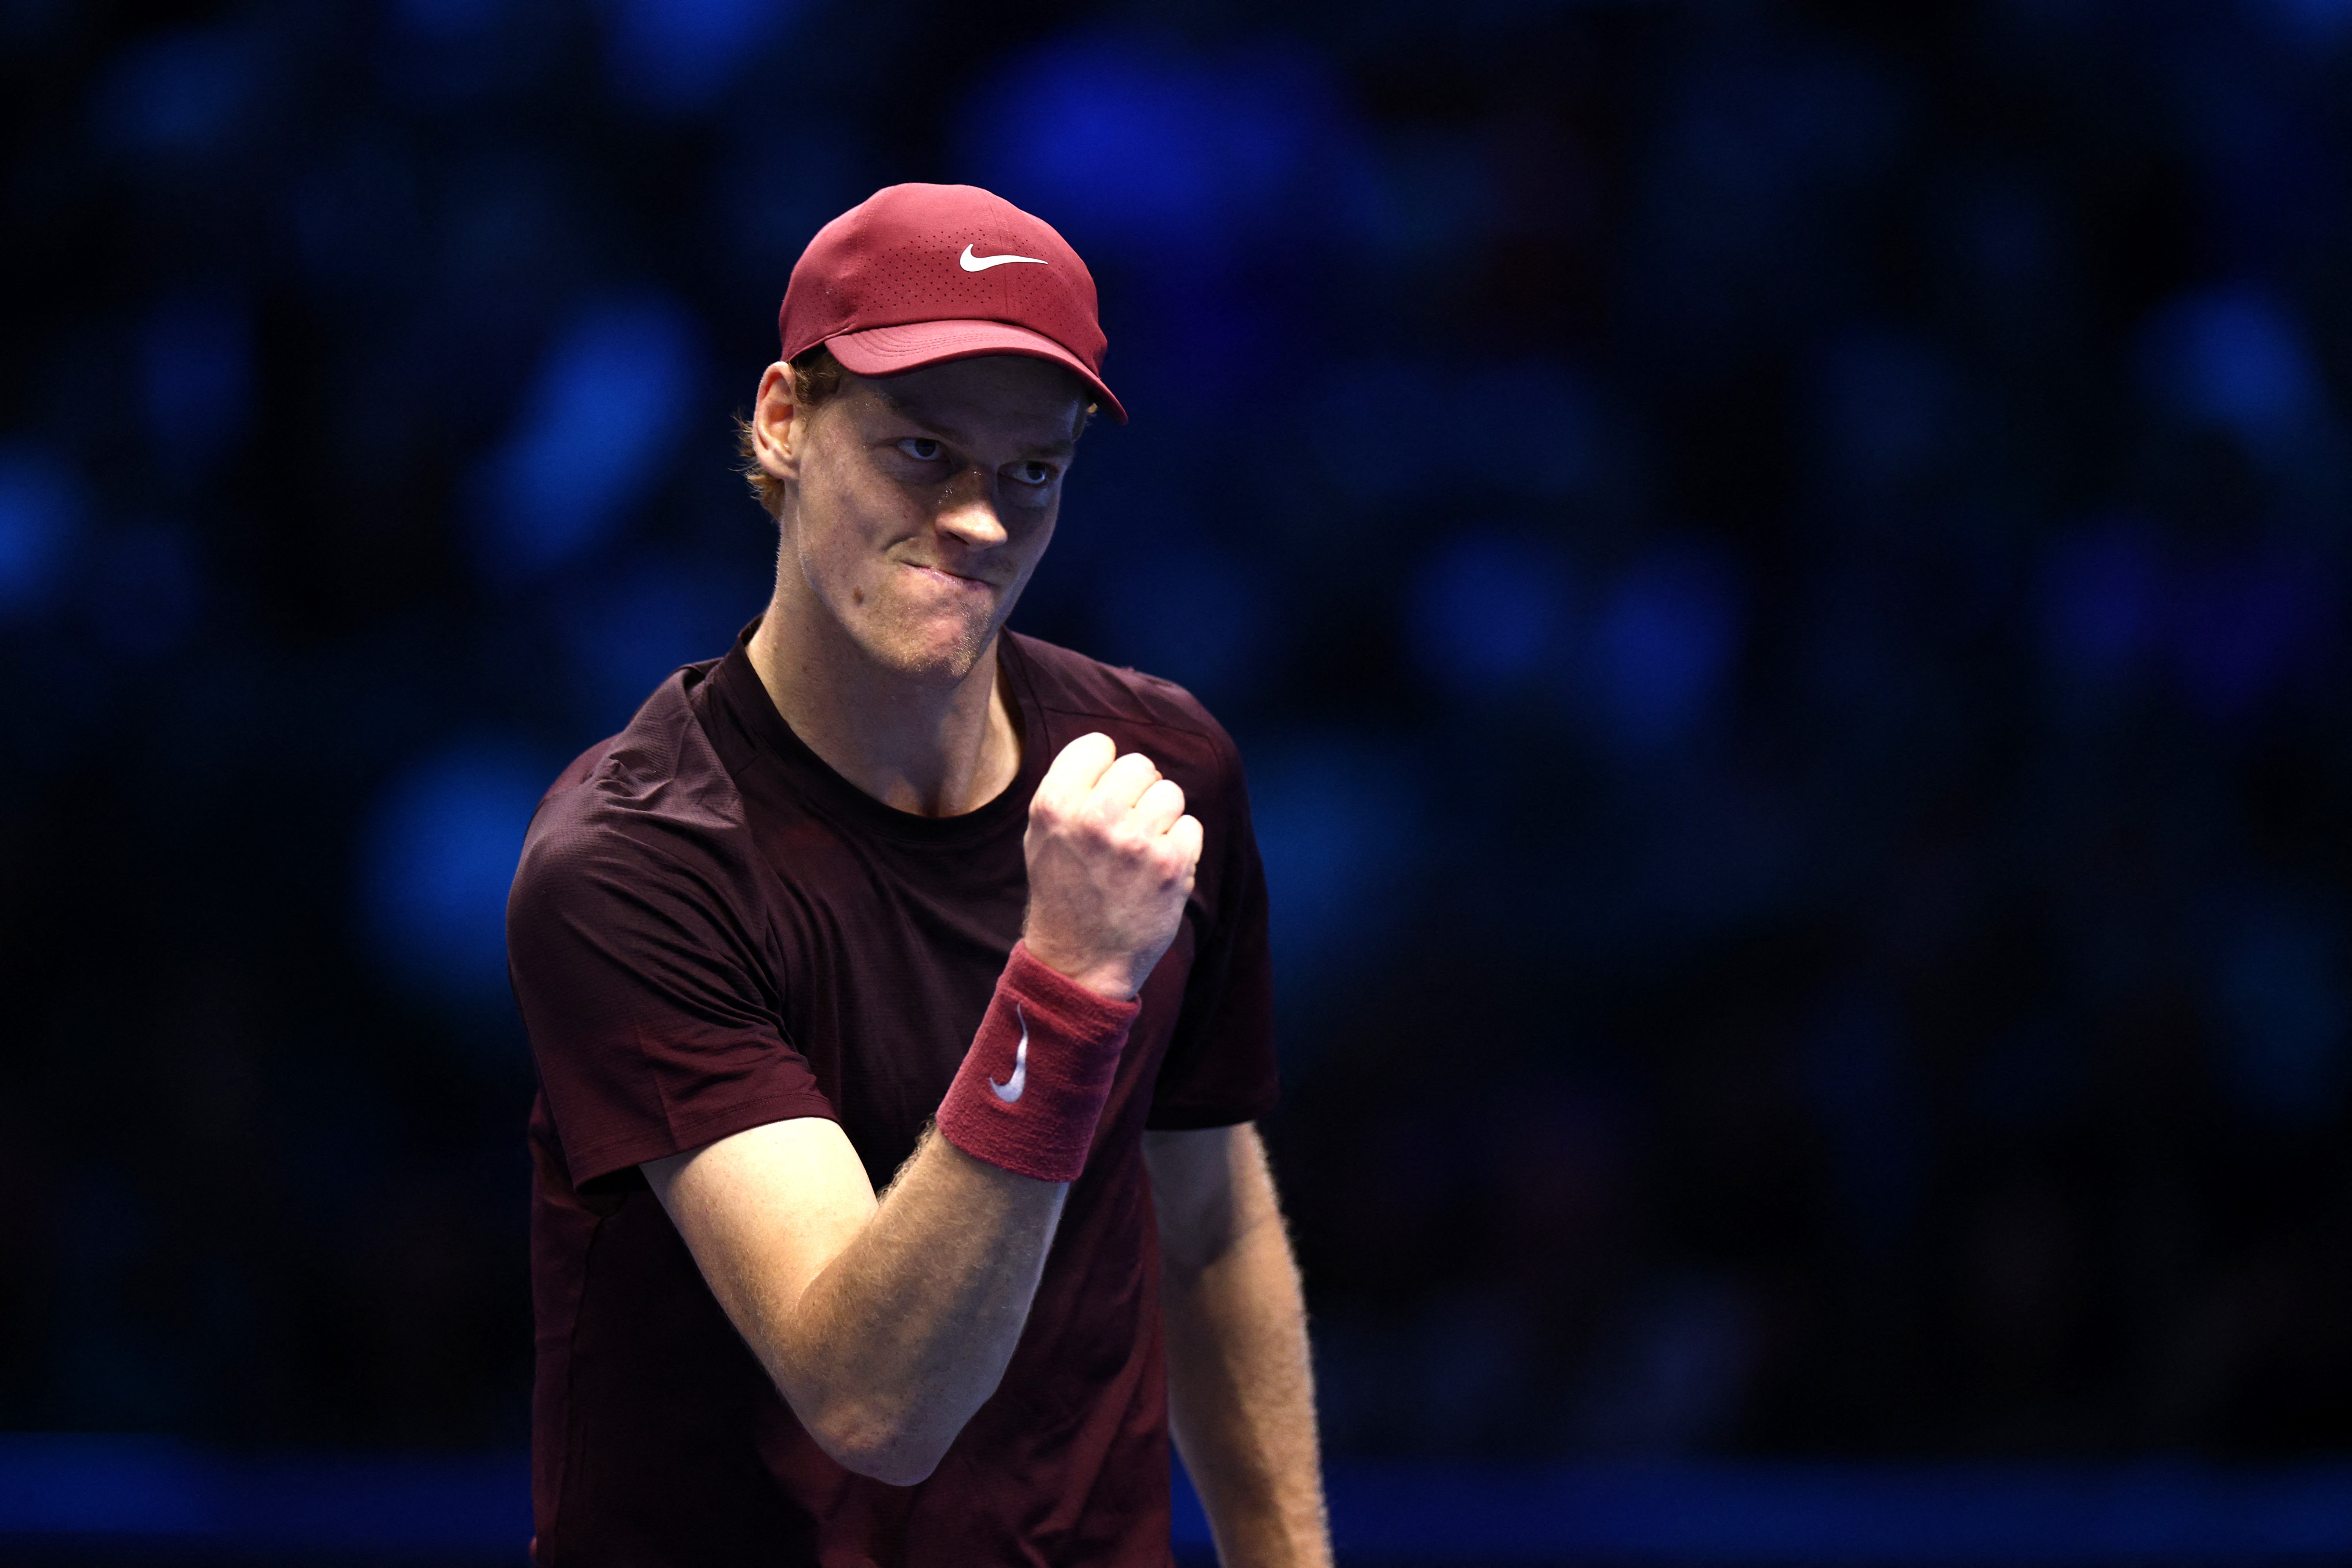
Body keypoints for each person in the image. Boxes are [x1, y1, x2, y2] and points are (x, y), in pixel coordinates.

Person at [505, 183, 1332, 1567]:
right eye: (922, 450)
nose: (982, 523)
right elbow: (873, 1399)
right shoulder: (631, 864)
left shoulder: (1163, 769)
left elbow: (1203, 1225)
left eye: (1033, 472)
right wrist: (1067, 983)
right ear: (783, 420)